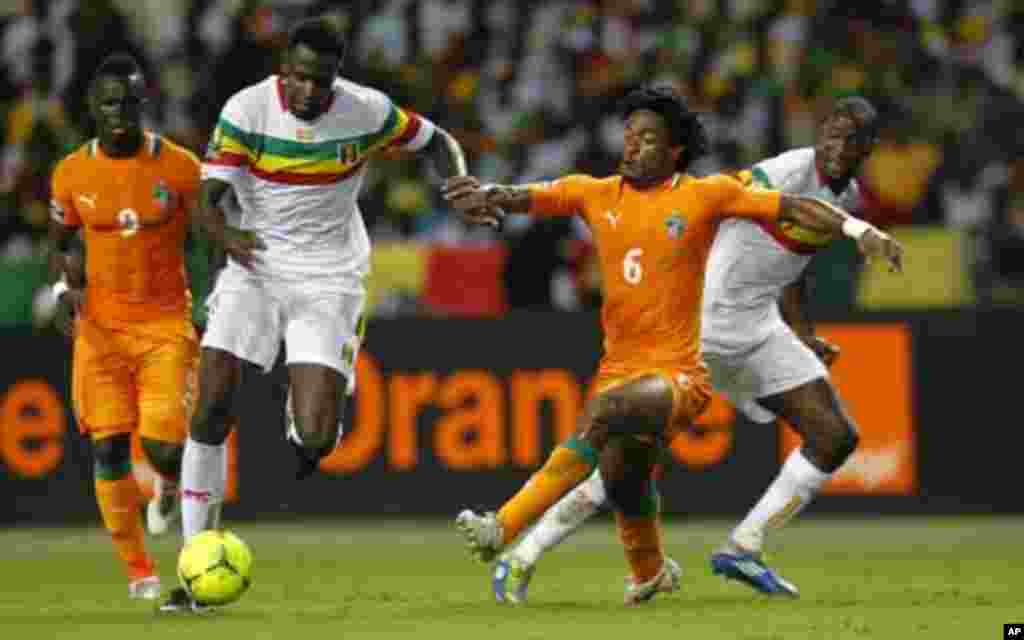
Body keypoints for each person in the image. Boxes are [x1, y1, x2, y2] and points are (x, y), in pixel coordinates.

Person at [444, 87, 901, 606]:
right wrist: (486, 194)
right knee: (623, 467)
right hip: (688, 331)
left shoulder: (781, 196)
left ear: (868, 150)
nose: (633, 146)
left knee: (833, 434)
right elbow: (530, 195)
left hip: (733, 339)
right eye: (834, 134)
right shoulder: (779, 170)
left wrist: (807, 325)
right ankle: (575, 561)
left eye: (853, 141)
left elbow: (790, 257)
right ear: (819, 134)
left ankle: (740, 547)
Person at [162, 16, 478, 611]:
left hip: (330, 278)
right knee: (210, 403)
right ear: (285, 70)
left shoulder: (367, 111)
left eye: (322, 81)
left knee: (315, 438)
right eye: (301, 78)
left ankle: (303, 412)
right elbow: (204, 204)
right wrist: (224, 234)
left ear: (337, 78)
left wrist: (457, 183)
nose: (310, 91)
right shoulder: (247, 110)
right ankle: (194, 564)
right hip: (254, 263)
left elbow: (438, 141)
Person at [47, 53, 201, 600]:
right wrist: (64, 290)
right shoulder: (71, 173)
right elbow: (63, 241)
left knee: (163, 448)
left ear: (145, 104)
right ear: (93, 107)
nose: (120, 113)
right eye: (110, 102)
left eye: (130, 102)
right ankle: (139, 570)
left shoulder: (180, 167)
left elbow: (206, 236)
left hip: (164, 324)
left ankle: (166, 482)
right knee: (108, 450)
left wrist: (211, 300)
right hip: (101, 331)